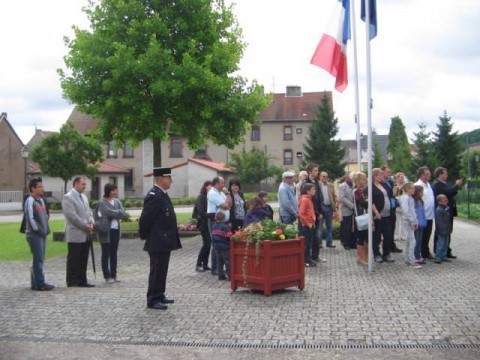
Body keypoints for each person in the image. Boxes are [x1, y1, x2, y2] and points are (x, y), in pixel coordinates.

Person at [139, 167, 182, 310]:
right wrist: (144, 235)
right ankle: (153, 299)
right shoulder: (154, 195)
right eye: (168, 177)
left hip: (164, 239)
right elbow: (145, 219)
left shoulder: (162, 194)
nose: (171, 180)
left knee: (163, 269)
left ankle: (160, 294)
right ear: (160, 179)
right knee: (156, 269)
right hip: (157, 239)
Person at [62, 175, 95, 288]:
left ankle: (82, 279)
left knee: (83, 257)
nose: (84, 186)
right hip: (75, 232)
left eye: (85, 184)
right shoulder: (68, 197)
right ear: (76, 184)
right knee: (74, 258)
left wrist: (91, 222)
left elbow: (89, 212)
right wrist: (85, 225)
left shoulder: (84, 197)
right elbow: (72, 216)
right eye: (83, 184)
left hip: (86, 232)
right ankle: (72, 280)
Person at [24, 178, 54, 291]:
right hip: (34, 234)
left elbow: (45, 215)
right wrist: (38, 230)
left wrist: (45, 229)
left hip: (42, 234)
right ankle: (40, 283)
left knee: (39, 258)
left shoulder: (41, 200)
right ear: (33, 188)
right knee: (38, 259)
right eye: (40, 187)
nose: (42, 188)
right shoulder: (30, 200)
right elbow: (30, 218)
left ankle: (35, 283)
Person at [96, 183, 127, 283]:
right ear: (108, 191)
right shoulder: (102, 202)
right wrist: (118, 212)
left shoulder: (117, 201)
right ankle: (107, 276)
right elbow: (107, 212)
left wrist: (116, 212)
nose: (115, 192)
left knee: (114, 253)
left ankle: (114, 275)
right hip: (106, 231)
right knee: (106, 253)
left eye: (115, 190)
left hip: (115, 231)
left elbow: (123, 213)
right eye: (113, 190)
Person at [432, 167, 463, 259]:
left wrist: (455, 188)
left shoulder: (444, 184)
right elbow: (448, 192)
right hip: (442, 211)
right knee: (441, 231)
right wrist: (456, 185)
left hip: (447, 210)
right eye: (445, 173)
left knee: (448, 230)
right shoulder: (437, 184)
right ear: (440, 174)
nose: (447, 175)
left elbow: (450, 193)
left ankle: (446, 250)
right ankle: (439, 251)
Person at [207, 176, 232, 275]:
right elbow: (225, 206)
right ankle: (215, 268)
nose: (224, 185)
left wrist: (227, 194)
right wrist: (227, 195)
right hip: (215, 221)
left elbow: (230, 204)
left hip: (223, 222)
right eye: (222, 183)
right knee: (216, 245)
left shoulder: (221, 192)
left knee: (223, 244)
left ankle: (220, 268)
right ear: (216, 183)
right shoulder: (212, 193)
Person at [371, 168, 395, 263]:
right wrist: (376, 212)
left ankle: (386, 253)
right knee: (377, 235)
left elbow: (391, 195)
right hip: (378, 215)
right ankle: (376, 254)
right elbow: (370, 201)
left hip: (388, 214)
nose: (383, 176)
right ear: (375, 176)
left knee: (388, 235)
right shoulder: (371, 187)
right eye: (381, 175)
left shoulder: (385, 185)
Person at [303, 164, 324, 261]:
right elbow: (307, 201)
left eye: (317, 170)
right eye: (315, 170)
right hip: (310, 214)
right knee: (310, 237)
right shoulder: (305, 183)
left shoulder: (316, 182)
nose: (317, 172)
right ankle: (308, 258)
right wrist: (315, 212)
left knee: (317, 236)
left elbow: (319, 198)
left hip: (318, 213)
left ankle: (316, 256)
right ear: (310, 171)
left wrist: (320, 212)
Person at [398, 183, 421, 269]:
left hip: (410, 221)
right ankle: (411, 260)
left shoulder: (409, 198)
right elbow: (406, 211)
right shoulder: (406, 198)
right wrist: (412, 222)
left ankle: (407, 259)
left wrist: (414, 220)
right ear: (407, 189)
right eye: (412, 188)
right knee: (412, 241)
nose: (414, 190)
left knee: (409, 241)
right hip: (408, 222)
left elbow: (412, 211)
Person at [414, 166, 435, 259]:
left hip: (430, 215)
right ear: (422, 175)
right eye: (427, 174)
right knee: (421, 236)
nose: (429, 175)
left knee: (427, 235)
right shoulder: (417, 185)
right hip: (422, 215)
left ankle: (425, 251)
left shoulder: (428, 184)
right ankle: (421, 253)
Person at [381, 166, 402, 253]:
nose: (389, 174)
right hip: (385, 208)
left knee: (392, 227)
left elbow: (394, 194)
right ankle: (387, 247)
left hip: (392, 206)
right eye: (387, 172)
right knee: (387, 229)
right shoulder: (381, 182)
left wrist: (395, 187)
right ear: (382, 172)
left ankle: (392, 245)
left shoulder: (390, 181)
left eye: (390, 172)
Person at [193, 180, 212, 272]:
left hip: (209, 223)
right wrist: (211, 216)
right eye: (209, 186)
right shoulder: (202, 197)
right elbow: (201, 211)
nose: (210, 187)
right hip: (204, 224)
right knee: (206, 243)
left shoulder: (210, 197)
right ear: (205, 187)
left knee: (208, 244)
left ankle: (205, 264)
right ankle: (198, 264)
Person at [298, 183, 316, 267]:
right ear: (307, 191)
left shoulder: (309, 199)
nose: (314, 191)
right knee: (306, 244)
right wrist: (308, 223)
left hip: (310, 224)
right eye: (312, 189)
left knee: (309, 243)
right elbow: (301, 214)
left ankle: (308, 259)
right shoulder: (305, 200)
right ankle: (305, 260)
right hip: (306, 226)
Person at [352, 172, 368, 265]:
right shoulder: (356, 191)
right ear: (358, 181)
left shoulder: (363, 190)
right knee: (361, 238)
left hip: (365, 215)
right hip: (360, 217)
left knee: (366, 237)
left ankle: (366, 257)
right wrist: (367, 200)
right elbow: (362, 203)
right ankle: (360, 257)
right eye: (363, 179)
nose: (365, 181)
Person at [211, 211, 232, 280]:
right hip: (225, 247)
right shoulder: (225, 227)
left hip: (216, 247)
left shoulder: (213, 226)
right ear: (224, 219)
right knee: (227, 261)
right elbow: (229, 236)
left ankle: (221, 275)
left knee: (219, 261)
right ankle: (230, 276)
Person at [319, 171, 337, 248]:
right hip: (321, 208)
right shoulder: (317, 185)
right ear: (320, 177)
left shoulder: (331, 185)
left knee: (329, 226)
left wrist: (335, 203)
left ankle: (329, 243)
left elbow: (334, 195)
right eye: (323, 176)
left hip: (329, 208)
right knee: (319, 227)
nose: (325, 178)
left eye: (326, 176)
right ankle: (319, 243)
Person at [338, 173, 355, 250]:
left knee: (353, 227)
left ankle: (352, 242)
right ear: (347, 178)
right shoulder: (342, 186)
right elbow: (342, 198)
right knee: (346, 227)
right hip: (346, 209)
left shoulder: (354, 185)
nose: (352, 179)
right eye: (351, 177)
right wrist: (352, 206)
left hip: (355, 210)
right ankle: (346, 243)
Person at [434, 194, 451, 264]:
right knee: (440, 244)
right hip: (441, 231)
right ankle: (438, 257)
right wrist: (442, 230)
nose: (446, 201)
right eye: (444, 200)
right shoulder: (439, 210)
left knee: (445, 244)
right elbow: (439, 222)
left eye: (446, 199)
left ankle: (443, 256)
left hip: (447, 230)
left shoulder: (446, 208)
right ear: (439, 202)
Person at [413, 185, 427, 264]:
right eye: (421, 191)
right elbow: (415, 214)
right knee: (416, 241)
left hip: (422, 224)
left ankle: (418, 255)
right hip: (416, 225)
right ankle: (415, 256)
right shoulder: (414, 202)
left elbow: (422, 214)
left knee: (420, 241)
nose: (423, 193)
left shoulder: (421, 201)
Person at [393, 172, 407, 243]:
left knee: (404, 220)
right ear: (397, 178)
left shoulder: (405, 186)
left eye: (403, 177)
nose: (402, 179)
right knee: (397, 221)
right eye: (400, 177)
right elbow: (394, 194)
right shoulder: (395, 185)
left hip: (404, 204)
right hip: (397, 204)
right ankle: (396, 235)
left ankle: (403, 235)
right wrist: (397, 189)